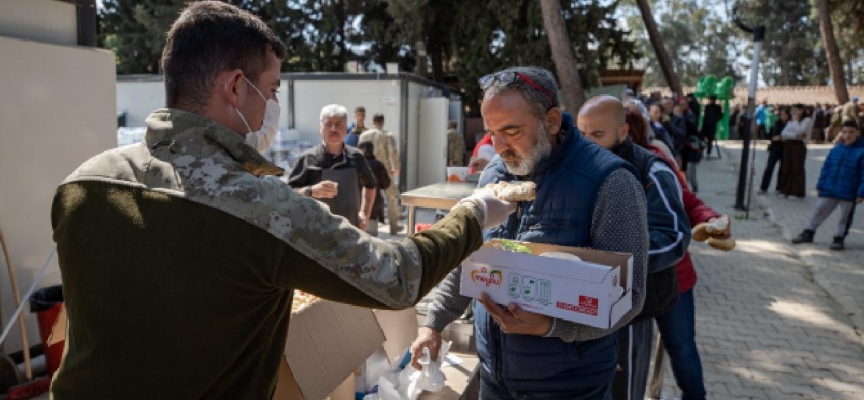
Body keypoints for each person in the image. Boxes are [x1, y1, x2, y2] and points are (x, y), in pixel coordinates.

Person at [48, 2, 517, 399]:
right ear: (235, 88)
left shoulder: (82, 184)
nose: (273, 104)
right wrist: (473, 214)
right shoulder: (260, 204)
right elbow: (396, 277)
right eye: (271, 89)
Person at [411, 66, 650, 399]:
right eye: (491, 132)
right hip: (495, 378)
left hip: (570, 385)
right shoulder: (494, 174)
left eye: (511, 130)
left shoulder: (610, 182)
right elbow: (469, 258)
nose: (499, 146)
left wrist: (551, 326)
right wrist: (433, 323)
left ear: (551, 121)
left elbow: (630, 297)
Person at [578, 96, 690, 400]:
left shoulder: (652, 171)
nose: (586, 143)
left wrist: (616, 261)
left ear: (623, 132)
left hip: (632, 309)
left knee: (623, 390)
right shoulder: (575, 166)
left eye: (597, 135)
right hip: (580, 304)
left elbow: (675, 236)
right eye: (581, 134)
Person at [624, 107, 734, 400]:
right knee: (628, 355)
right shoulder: (596, 165)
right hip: (626, 280)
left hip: (673, 276)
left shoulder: (657, 163)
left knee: (682, 345)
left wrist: (710, 220)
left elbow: (688, 201)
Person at [289, 104, 377, 229]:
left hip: (350, 231)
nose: (333, 129)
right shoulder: (307, 158)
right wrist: (311, 191)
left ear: (346, 128)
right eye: (328, 124)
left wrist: (364, 213)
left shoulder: (356, 157)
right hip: (314, 232)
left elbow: (370, 185)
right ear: (321, 128)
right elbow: (288, 193)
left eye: (339, 124)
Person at [792, 121, 864, 250]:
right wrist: (821, 186)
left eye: (851, 132)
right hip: (830, 189)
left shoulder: (861, 152)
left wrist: (860, 193)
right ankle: (808, 232)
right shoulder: (836, 150)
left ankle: (839, 238)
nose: (848, 135)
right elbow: (826, 168)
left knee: (845, 217)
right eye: (845, 132)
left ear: (858, 133)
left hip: (849, 191)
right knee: (819, 210)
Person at [359, 114, 403, 234]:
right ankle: (393, 226)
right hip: (384, 170)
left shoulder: (364, 135)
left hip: (367, 168)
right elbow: (393, 152)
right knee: (391, 197)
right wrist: (397, 167)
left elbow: (359, 151)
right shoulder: (387, 135)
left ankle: (364, 224)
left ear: (372, 121)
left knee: (365, 195)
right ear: (383, 122)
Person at [778, 103, 813, 198]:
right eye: (792, 110)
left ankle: (796, 192)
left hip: (799, 146)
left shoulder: (807, 120)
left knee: (797, 168)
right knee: (786, 167)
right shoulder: (791, 121)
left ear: (801, 110)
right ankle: (785, 190)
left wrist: (796, 122)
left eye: (795, 110)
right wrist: (794, 136)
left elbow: (800, 131)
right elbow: (784, 133)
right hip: (789, 145)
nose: (793, 112)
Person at [356, 141, 390, 236]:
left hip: (355, 206)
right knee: (371, 239)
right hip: (373, 206)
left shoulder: (353, 164)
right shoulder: (378, 165)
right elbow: (386, 184)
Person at [759, 107, 790, 195]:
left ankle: (779, 188)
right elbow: (768, 135)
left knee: (782, 170)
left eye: (785, 115)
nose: (783, 117)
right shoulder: (776, 124)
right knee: (769, 168)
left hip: (785, 149)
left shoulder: (790, 125)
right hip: (775, 148)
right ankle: (763, 188)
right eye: (782, 115)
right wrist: (773, 138)